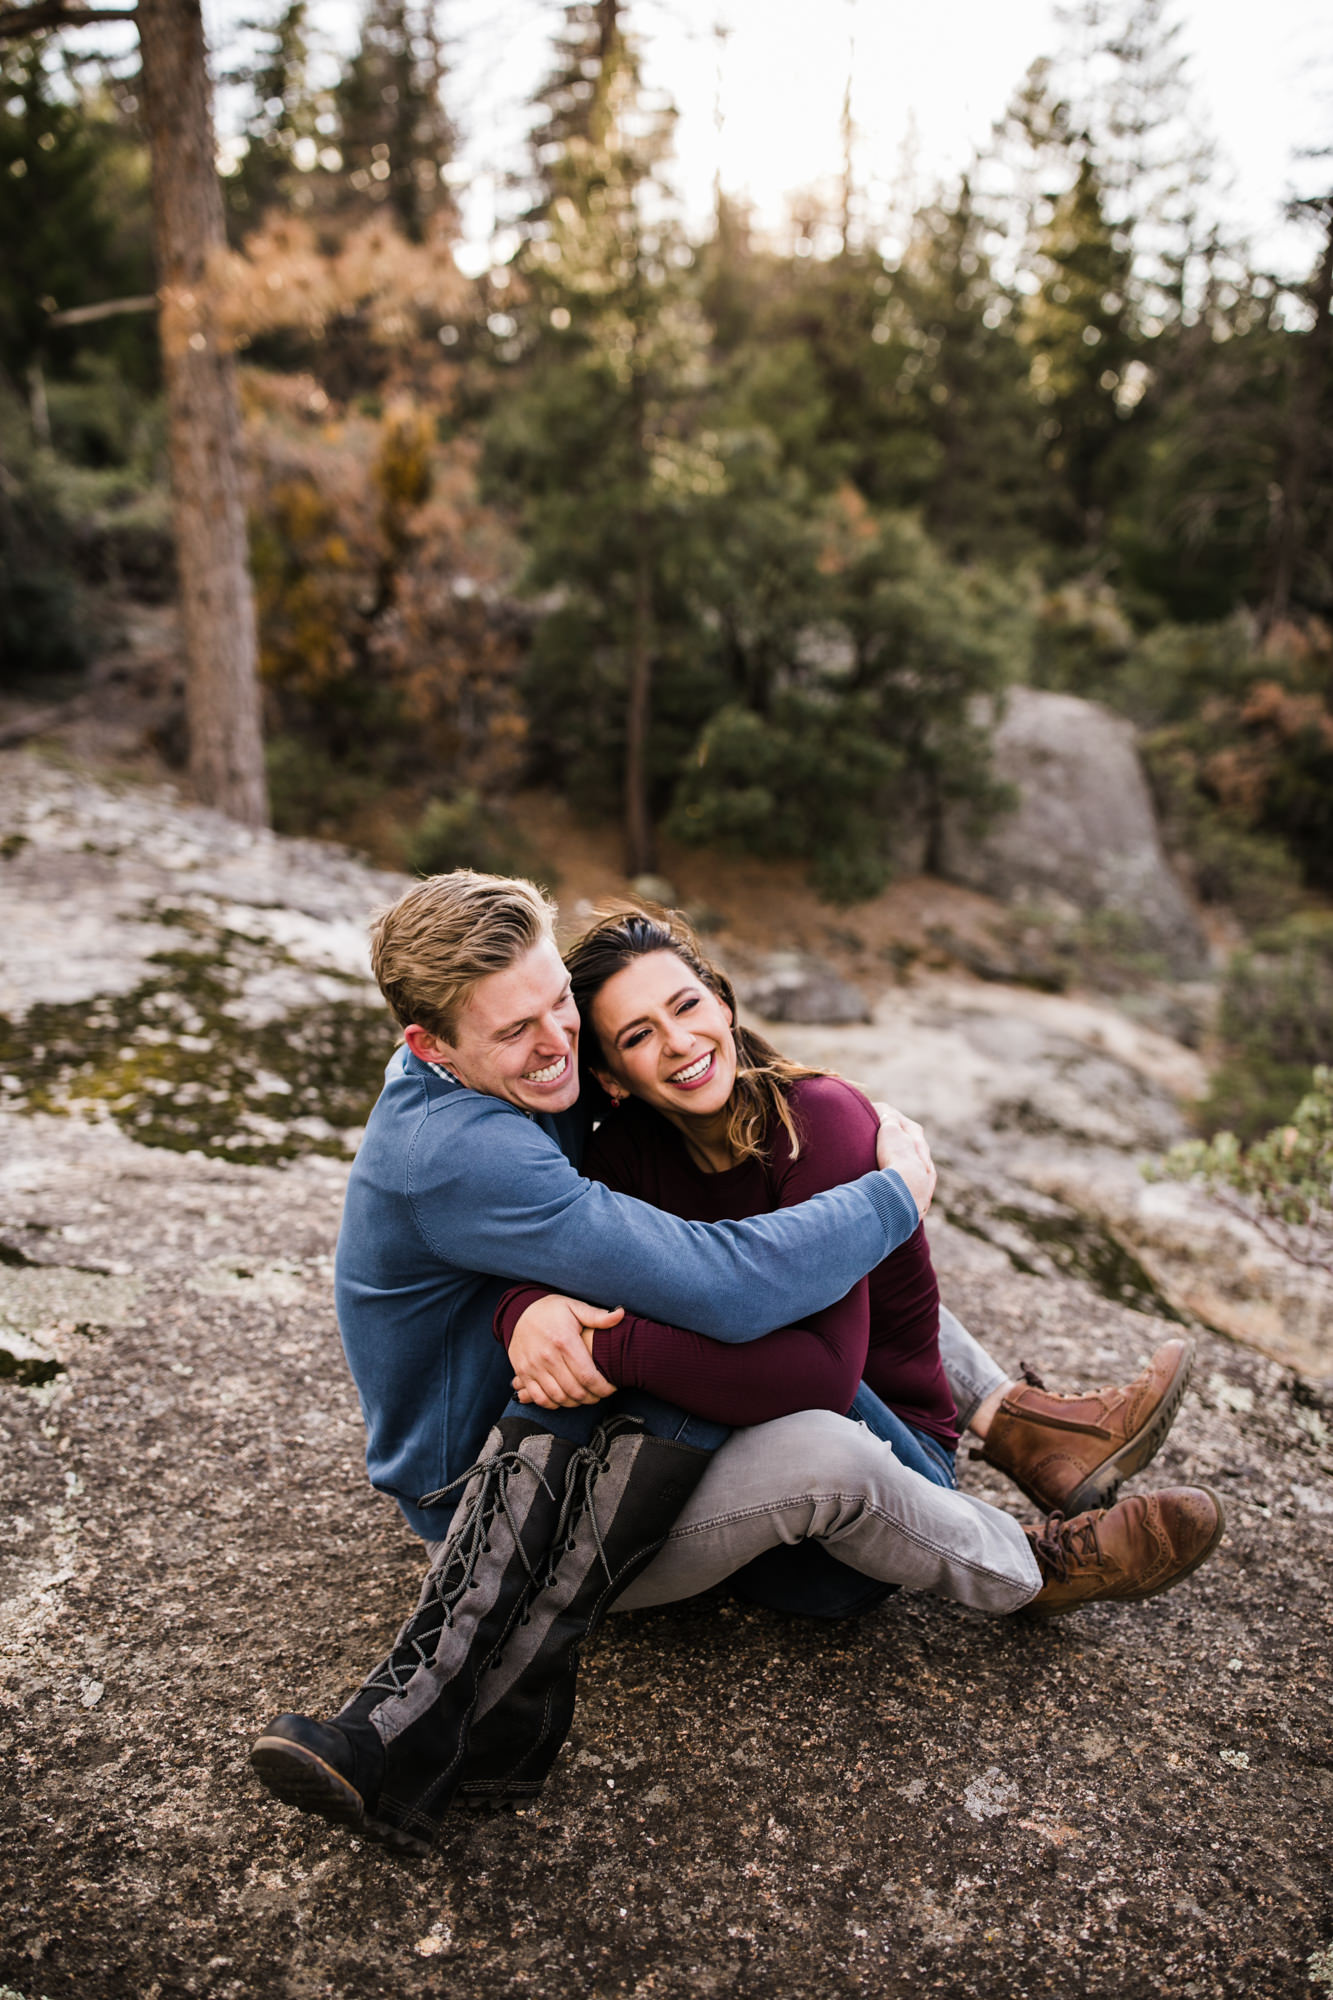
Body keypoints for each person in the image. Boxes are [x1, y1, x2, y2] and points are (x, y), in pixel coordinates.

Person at [250, 873, 1218, 1854]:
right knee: (803, 1400)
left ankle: (1016, 1419)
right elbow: (731, 1297)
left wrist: (547, 1302)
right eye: (517, 1030)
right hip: (500, 1490)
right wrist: (895, 1192)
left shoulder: (534, 1066)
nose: (557, 1044)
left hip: (592, 1412)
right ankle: (1026, 1562)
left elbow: (730, 1265)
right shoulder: (462, 1146)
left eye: (562, 1006)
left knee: (780, 1247)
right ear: (428, 1044)